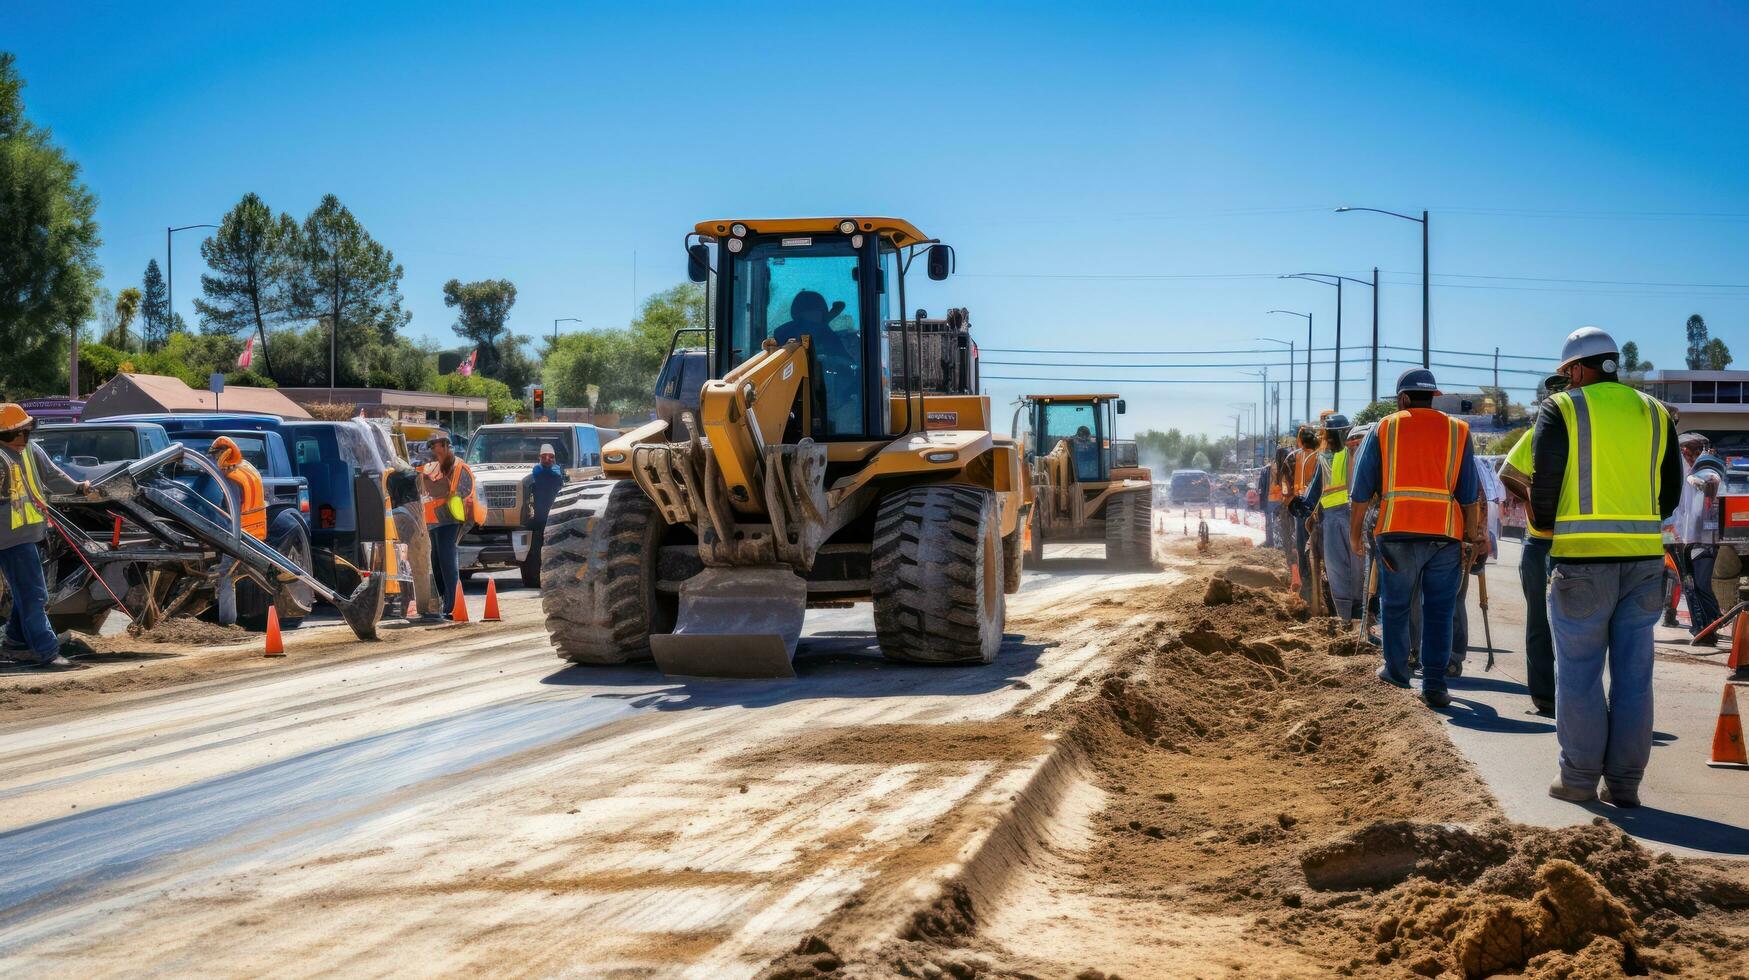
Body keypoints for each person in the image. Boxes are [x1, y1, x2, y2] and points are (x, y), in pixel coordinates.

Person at [1534, 327, 1681, 808]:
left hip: (1581, 563)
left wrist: (1549, 528)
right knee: (1635, 675)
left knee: (1578, 672)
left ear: (1577, 369)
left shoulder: (1563, 408)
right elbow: (1671, 493)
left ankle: (1578, 779)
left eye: (1568, 374)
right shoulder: (1656, 412)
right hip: (1643, 562)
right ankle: (1625, 784)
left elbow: (1544, 489)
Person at [1348, 369, 1485, 709]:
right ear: (1434, 397)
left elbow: (1361, 491)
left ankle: (1396, 672)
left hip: (1397, 532)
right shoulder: (1458, 431)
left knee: (1395, 607)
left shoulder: (1385, 427)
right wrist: (1472, 538)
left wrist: (1355, 535)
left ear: (1404, 398)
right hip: (1444, 537)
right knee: (1439, 611)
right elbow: (1469, 494)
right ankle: (1435, 685)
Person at [0, 404, 90, 670]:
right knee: (34, 596)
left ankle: (15, 643)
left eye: (26, 431)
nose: (24, 437)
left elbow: (52, 476)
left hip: (30, 533)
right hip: (11, 538)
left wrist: (78, 489)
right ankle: (47, 652)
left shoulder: (31, 451)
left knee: (26, 593)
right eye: (18, 433)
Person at [1500, 427, 1557, 715]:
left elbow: (1508, 473)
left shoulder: (1539, 434)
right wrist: (1534, 509)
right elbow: (1508, 473)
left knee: (1542, 622)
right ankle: (1547, 695)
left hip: (1553, 544)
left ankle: (1551, 695)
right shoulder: (1538, 434)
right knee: (1542, 622)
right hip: (1547, 542)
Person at [1300, 414, 1364, 623]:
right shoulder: (1354, 451)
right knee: (1356, 564)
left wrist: (1306, 509)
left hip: (1336, 515)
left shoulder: (1326, 456)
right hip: (1354, 513)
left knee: (1338, 568)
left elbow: (1315, 490)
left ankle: (1346, 617)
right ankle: (1357, 614)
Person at [1450, 450, 1505, 676]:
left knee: (1452, 600)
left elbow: (1479, 508)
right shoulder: (1466, 465)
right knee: (1451, 600)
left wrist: (1476, 542)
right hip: (1454, 542)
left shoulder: (1468, 467)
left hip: (1460, 544)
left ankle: (1452, 657)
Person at [420, 434, 482, 619]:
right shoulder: (433, 467)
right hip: (434, 521)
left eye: (436, 446)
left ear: (446, 446)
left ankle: (453, 606)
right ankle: (440, 603)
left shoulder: (460, 467)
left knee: (447, 562)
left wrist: (446, 491)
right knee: (437, 563)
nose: (433, 450)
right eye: (431, 447)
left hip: (452, 520)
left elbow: (465, 492)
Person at [208, 436, 268, 627]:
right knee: (243, 573)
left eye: (215, 456)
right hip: (255, 531)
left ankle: (227, 622)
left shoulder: (231, 479)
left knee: (225, 575)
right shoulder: (244, 468)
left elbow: (229, 510)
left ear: (223, 456)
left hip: (239, 534)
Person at [1677, 433, 1724, 645]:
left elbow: (1712, 480)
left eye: (1686, 453)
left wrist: (1696, 480)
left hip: (1705, 539)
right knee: (1694, 585)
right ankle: (1707, 625)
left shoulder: (1706, 470)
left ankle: (1710, 625)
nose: (1684, 457)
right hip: (1691, 538)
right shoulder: (1689, 472)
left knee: (1700, 585)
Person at [386, 461, 440, 621]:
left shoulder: (388, 475)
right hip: (412, 515)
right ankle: (425, 608)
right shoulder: (414, 477)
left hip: (394, 514)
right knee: (420, 566)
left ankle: (396, 608)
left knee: (395, 565)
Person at [521, 444, 566, 588]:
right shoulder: (538, 472)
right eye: (544, 456)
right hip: (540, 519)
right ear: (539, 457)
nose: (547, 459)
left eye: (551, 457)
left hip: (554, 519)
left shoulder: (556, 472)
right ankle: (536, 580)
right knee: (536, 552)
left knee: (554, 550)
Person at [1287, 426, 1320, 600]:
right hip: (1318, 507)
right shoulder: (1320, 455)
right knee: (1315, 547)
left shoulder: (1295, 457)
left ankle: (1308, 588)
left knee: (1302, 546)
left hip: (1303, 507)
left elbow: (1287, 483)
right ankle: (1314, 586)